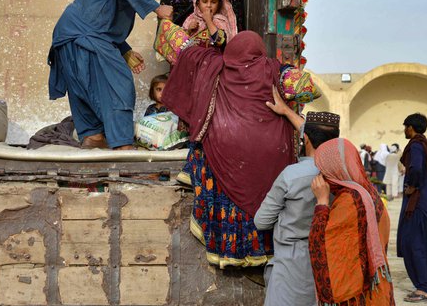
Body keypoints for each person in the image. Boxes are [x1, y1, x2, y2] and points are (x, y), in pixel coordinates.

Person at [162, 31, 297, 268]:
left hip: (223, 146)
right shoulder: (275, 70)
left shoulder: (211, 63)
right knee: (265, 199)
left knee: (210, 164)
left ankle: (226, 252)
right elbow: (309, 88)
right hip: (267, 151)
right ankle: (260, 252)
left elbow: (176, 44)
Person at [48, 0, 173, 150]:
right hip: (84, 37)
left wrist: (124, 50)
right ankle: (123, 145)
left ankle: (94, 138)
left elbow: (101, 20)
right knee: (120, 85)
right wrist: (156, 8)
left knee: (84, 92)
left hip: (67, 38)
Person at [254, 107, 340, 306]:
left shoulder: (291, 175)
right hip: (327, 261)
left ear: (306, 139)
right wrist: (286, 111)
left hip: (290, 263)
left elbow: (261, 221)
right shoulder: (343, 173)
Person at [310, 138, 394, 305]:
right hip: (377, 290)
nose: (320, 174)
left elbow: (322, 245)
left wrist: (321, 203)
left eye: (321, 168)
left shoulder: (349, 200)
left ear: (333, 168)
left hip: (358, 295)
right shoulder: (368, 190)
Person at [397, 113, 427, 302]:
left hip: (419, 204)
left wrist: (412, 186)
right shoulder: (426, 144)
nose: (404, 130)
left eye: (405, 127)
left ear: (411, 127)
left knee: (416, 244)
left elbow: (416, 168)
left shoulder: (415, 145)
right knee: (426, 245)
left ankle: (424, 287)